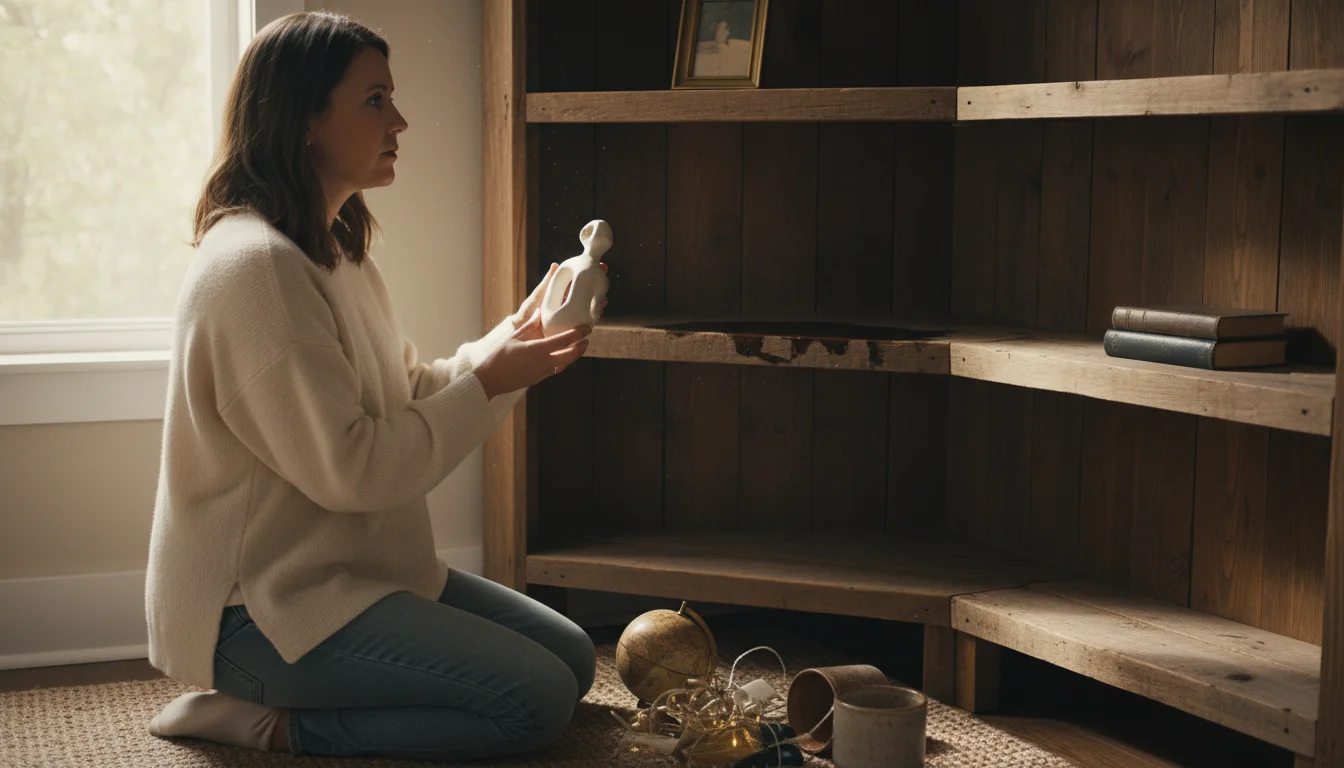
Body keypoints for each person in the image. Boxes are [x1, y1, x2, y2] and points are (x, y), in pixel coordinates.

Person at [143, 11, 600, 762]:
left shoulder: (332, 247)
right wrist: (490, 381)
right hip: (259, 611)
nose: (401, 121)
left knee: (574, 660)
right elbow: (355, 469)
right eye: (375, 101)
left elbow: (407, 390)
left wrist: (514, 347)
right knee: (535, 699)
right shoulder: (256, 271)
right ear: (304, 121)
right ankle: (271, 723)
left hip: (353, 573)